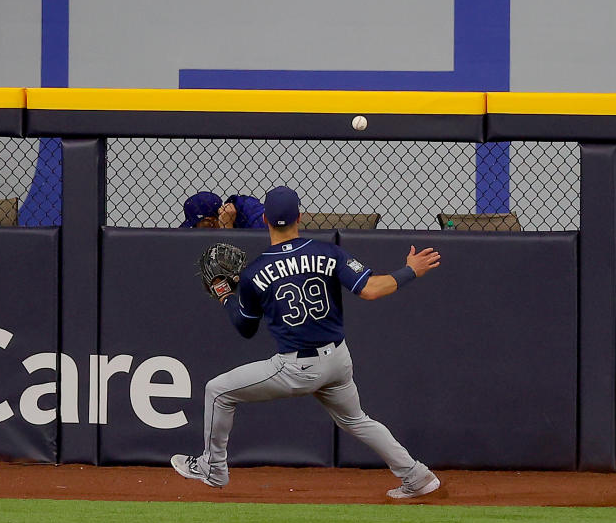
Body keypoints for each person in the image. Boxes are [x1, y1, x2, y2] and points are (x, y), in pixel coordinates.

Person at [171, 186, 443, 499]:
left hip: (297, 366)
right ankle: (417, 476)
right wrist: (411, 270)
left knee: (217, 391)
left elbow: (245, 328)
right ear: (300, 216)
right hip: (338, 360)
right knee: (357, 420)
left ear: (266, 220)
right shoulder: (328, 252)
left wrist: (224, 295)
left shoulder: (256, 272)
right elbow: (370, 289)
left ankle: (213, 467)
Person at [179, 190, 266, 229]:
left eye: (195, 226)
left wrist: (227, 228)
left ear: (210, 223)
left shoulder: (252, 218)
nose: (195, 231)